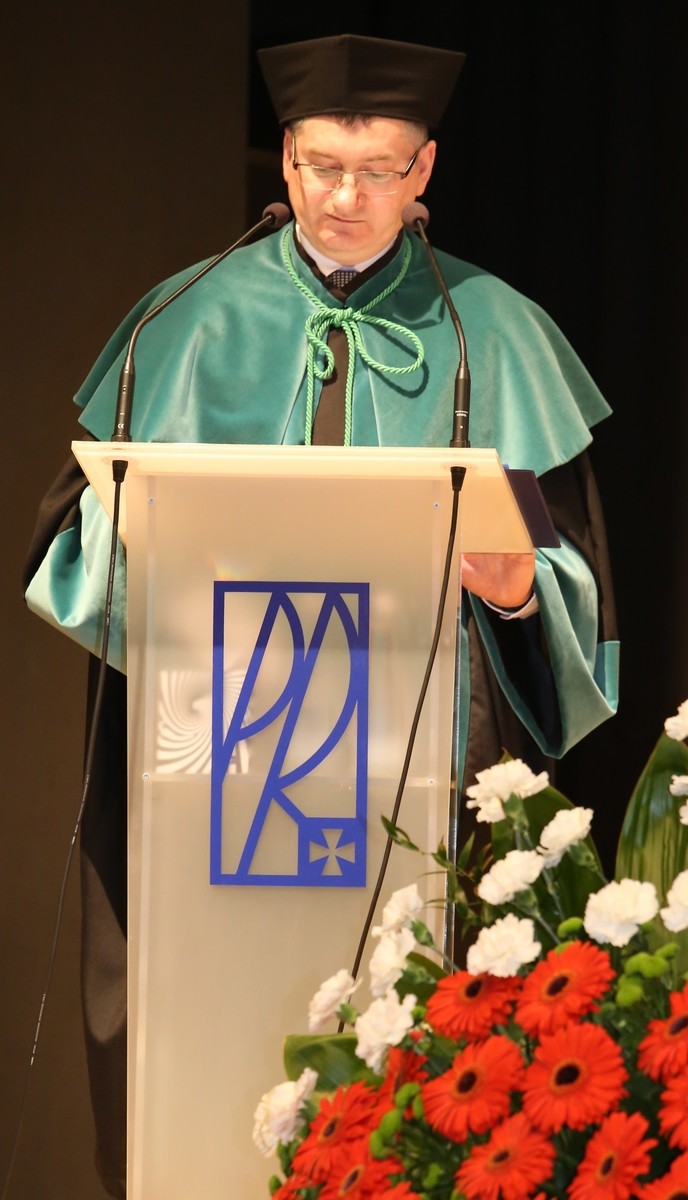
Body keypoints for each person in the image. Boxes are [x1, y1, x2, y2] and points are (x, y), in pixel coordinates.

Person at [22, 33, 619, 1199]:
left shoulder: (490, 336)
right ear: (286, 161)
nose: (344, 198)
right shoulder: (186, 319)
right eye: (320, 167)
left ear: (424, 168)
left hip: (420, 775)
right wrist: (140, 534)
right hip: (213, 771)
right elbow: (71, 540)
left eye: (376, 171)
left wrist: (513, 586)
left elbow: (562, 576)